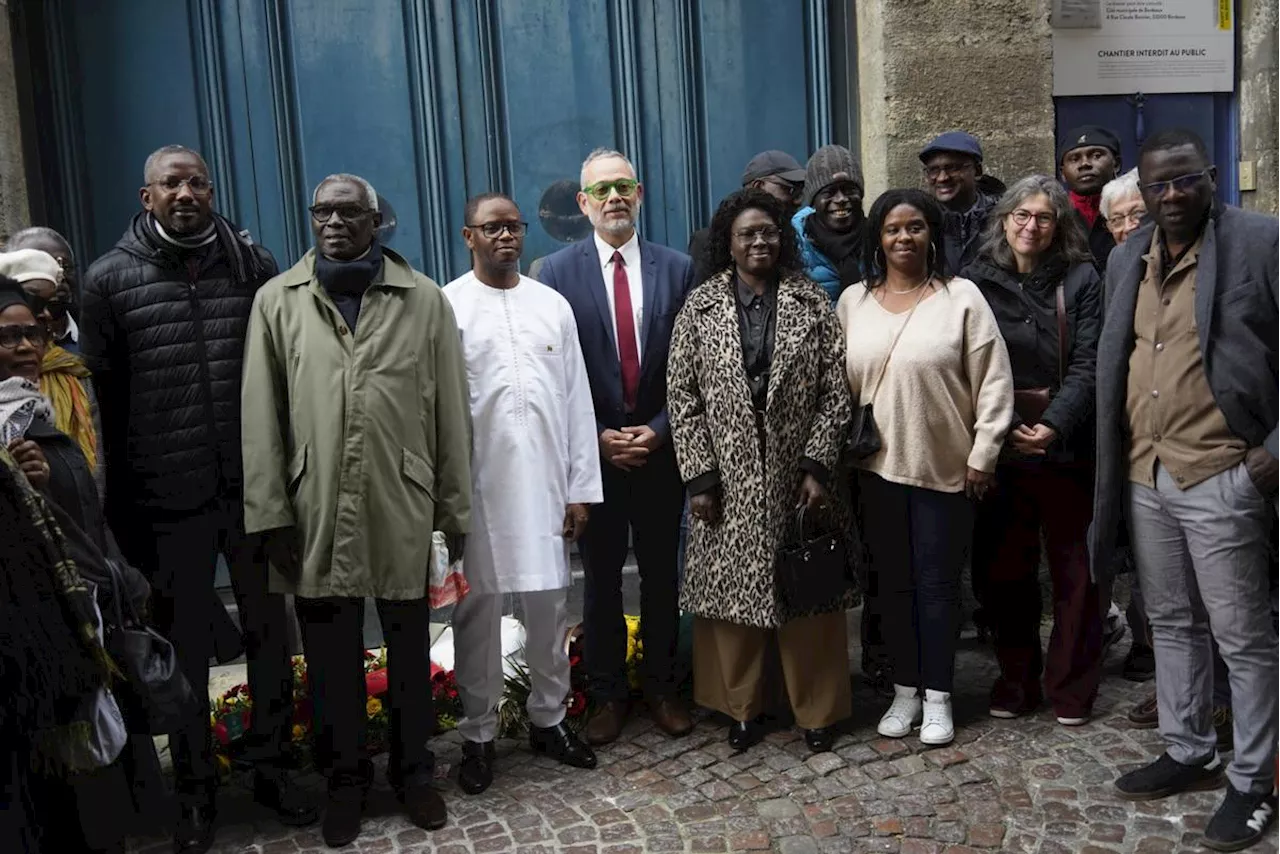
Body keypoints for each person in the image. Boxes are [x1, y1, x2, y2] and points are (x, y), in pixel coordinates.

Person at [80, 144, 310, 853]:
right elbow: (102, 407)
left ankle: (271, 765)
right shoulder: (109, 281)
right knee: (184, 653)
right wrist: (119, 519)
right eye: (171, 184)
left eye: (197, 182)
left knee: (271, 636)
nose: (186, 193)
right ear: (147, 197)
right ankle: (196, 793)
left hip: (253, 492)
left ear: (212, 190)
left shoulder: (251, 265)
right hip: (165, 500)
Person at [241, 173, 472, 847]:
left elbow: (450, 414)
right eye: (324, 211)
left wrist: (452, 511)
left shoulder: (423, 300)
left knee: (408, 653)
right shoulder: (277, 302)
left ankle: (414, 774)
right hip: (314, 508)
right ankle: (345, 780)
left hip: (404, 498)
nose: (335, 222)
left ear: (378, 223)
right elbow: (262, 417)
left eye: (350, 211)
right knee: (331, 657)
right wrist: (270, 514)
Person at [1093, 128, 1280, 851]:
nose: (1171, 196)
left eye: (1184, 181)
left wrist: (1270, 456)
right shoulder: (1124, 258)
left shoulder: (1260, 242)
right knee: (1171, 620)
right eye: (1157, 185)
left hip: (1221, 473)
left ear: (1210, 178)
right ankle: (1189, 748)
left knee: (1244, 637)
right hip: (1146, 473)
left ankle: (1256, 780)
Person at [668, 188, 854, 753]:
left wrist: (817, 466)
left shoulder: (810, 301)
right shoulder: (699, 307)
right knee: (733, 600)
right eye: (747, 233)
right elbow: (682, 395)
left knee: (807, 593)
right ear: (728, 241)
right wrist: (699, 479)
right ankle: (742, 708)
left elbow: (834, 390)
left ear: (783, 238)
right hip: (726, 481)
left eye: (769, 232)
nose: (759, 242)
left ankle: (816, 712)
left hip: (799, 477)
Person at [837, 189, 1013, 747]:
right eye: (892, 229)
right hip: (875, 471)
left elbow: (994, 382)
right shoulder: (852, 302)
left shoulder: (962, 298)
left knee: (938, 587)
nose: (904, 237)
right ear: (878, 238)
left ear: (931, 234)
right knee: (891, 587)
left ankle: (939, 697)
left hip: (946, 470)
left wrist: (984, 454)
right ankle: (905, 691)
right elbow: (837, 389)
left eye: (915, 227)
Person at [0, 275, 166, 854]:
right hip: (30, 641)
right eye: (8, 337)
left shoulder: (36, 410)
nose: (26, 346)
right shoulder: (11, 428)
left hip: (81, 617)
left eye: (32, 333)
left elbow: (85, 513)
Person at [443, 193, 602, 794]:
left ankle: (549, 717)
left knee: (548, 609)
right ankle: (479, 735)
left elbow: (577, 403)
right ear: (469, 235)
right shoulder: (447, 306)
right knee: (476, 613)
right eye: (493, 228)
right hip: (479, 493)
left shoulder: (551, 306)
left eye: (514, 227)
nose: (506, 237)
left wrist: (580, 490)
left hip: (545, 486)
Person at [537, 148, 695, 746]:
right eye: (600, 191)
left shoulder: (678, 269)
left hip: (661, 453)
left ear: (640, 193)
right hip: (593, 458)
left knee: (661, 575)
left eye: (623, 187)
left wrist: (660, 428)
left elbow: (695, 367)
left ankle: (661, 686)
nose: (613, 198)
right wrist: (596, 437)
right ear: (583, 203)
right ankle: (607, 694)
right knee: (600, 580)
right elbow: (553, 372)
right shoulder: (554, 272)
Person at [963, 175, 1104, 726]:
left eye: (1044, 217)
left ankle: (1070, 688)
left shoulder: (1082, 277)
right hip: (999, 449)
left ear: (1059, 224)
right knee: (1004, 573)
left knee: (1077, 574)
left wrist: (1054, 425)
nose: (1031, 226)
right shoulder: (975, 282)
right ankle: (1016, 679)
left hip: (1068, 450)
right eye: (1022, 215)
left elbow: (1092, 360)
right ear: (1004, 220)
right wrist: (999, 429)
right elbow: (964, 363)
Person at [0, 248, 104, 500]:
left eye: (52, 305)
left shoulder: (73, 370)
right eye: (36, 303)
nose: (45, 315)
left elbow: (96, 467)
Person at [688, 150, 806, 284]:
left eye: (800, 191)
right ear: (758, 186)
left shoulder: (792, 238)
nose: (798, 201)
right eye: (789, 189)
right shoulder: (706, 241)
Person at [919, 131, 1000, 274]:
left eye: (953, 168)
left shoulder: (1002, 219)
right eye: (933, 170)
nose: (942, 178)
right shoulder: (921, 221)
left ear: (977, 170)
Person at [792, 145, 865, 301]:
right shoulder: (795, 243)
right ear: (813, 202)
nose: (841, 199)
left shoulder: (879, 238)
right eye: (829, 192)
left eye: (849, 190)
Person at [7, 227, 80, 353]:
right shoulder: (7, 344)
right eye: (43, 269)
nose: (60, 278)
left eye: (66, 267)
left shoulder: (96, 326)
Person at [1059, 125, 1121, 270]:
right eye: (1074, 159)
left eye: (1096, 156)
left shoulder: (1134, 211)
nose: (1085, 164)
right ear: (1062, 173)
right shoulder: (1056, 216)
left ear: (1116, 164)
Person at [1100, 168, 1148, 248]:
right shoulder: (1114, 259)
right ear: (1109, 227)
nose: (1128, 227)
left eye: (1137, 214)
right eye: (1117, 219)